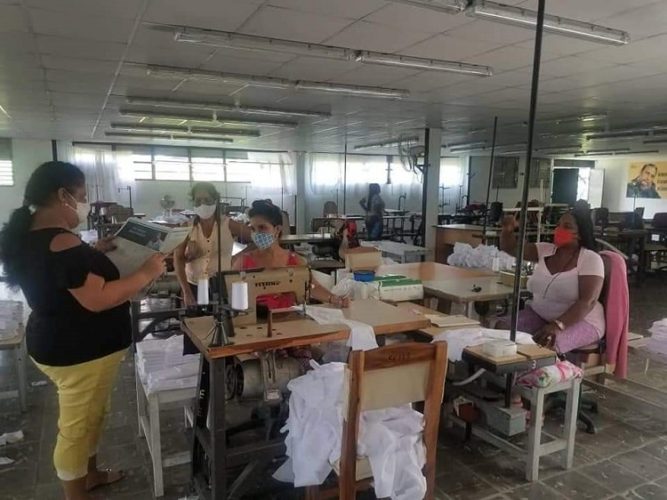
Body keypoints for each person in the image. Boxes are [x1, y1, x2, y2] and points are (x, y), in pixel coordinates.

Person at [0, 161, 166, 500]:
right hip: (79, 351)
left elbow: (63, 277)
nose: (86, 203)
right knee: (75, 429)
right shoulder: (62, 243)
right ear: (64, 196)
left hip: (63, 342)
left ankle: (89, 475)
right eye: (82, 195)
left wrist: (92, 252)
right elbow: (98, 299)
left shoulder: (36, 236)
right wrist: (146, 272)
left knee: (94, 414)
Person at [498, 208, 605, 354]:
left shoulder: (590, 259)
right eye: (558, 225)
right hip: (541, 315)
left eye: (567, 227)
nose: (559, 229)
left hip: (583, 321)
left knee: (547, 343)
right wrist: (507, 229)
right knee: (502, 329)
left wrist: (557, 325)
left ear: (580, 234)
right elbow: (511, 248)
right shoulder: (545, 250)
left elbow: (588, 301)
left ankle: (532, 370)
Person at [232, 199, 348, 309]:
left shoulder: (296, 261)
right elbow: (232, 296)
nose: (257, 233)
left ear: (277, 229)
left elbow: (311, 287)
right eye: (253, 229)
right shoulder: (242, 263)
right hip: (256, 321)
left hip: (290, 318)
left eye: (262, 227)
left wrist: (335, 299)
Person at [174, 182, 252, 308]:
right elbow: (177, 259)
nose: (202, 204)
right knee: (197, 319)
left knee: (223, 318)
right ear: (193, 202)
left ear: (215, 201)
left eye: (207, 200)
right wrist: (186, 291)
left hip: (222, 285)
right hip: (194, 286)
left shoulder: (228, 224)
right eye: (198, 200)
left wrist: (238, 256)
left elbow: (259, 240)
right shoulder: (187, 227)